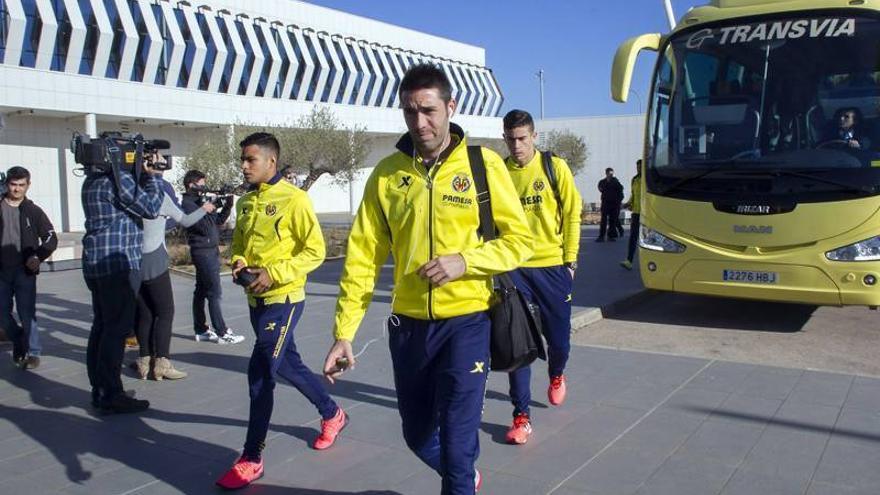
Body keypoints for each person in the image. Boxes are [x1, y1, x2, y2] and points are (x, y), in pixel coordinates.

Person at [322, 64, 533, 494]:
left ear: (450, 107)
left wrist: (466, 261)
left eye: (429, 111)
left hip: (467, 323)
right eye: (410, 112)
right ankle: (462, 479)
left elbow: (520, 242)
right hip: (409, 328)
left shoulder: (483, 165)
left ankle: (459, 480)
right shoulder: (386, 175)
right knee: (417, 437)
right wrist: (344, 332)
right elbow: (363, 256)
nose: (420, 123)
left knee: (457, 445)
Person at [216, 132, 345, 490]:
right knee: (287, 363)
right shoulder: (245, 202)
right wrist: (240, 263)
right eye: (242, 160)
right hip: (255, 302)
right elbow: (239, 243)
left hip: (284, 301)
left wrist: (275, 273)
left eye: (250, 160)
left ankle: (251, 458)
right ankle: (332, 413)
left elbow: (315, 251)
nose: (243, 166)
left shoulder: (295, 200)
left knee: (260, 373)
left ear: (271, 162)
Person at [500, 110, 582, 445]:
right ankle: (521, 416)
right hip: (514, 269)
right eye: (510, 138)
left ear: (534, 136)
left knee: (558, 341)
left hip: (552, 268)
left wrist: (570, 262)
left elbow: (573, 213)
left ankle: (557, 373)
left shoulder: (554, 167)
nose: (516, 145)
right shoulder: (500, 172)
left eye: (522, 138)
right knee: (518, 343)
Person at [82, 147, 162, 414]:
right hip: (117, 264)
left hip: (95, 262)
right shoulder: (117, 181)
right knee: (116, 330)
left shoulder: (91, 180)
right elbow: (150, 208)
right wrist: (153, 177)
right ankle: (112, 393)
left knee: (102, 327)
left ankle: (100, 388)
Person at [132, 162, 215, 380]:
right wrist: (204, 209)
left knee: (145, 313)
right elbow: (185, 220)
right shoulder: (159, 197)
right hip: (155, 259)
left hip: (133, 261)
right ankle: (162, 363)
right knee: (165, 312)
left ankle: (144, 361)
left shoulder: (128, 196)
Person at [0, 166, 57, 369]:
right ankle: (18, 339)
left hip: (24, 271)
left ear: (28, 185)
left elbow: (51, 238)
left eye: (21, 185)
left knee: (26, 313)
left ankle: (33, 352)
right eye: (13, 184)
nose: (16, 189)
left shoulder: (33, 211)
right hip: (2, 272)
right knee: (2, 315)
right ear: (7, 183)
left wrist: (38, 257)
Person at [181, 171, 244, 345]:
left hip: (210, 250)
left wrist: (227, 204)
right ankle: (221, 332)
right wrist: (207, 207)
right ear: (191, 184)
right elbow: (202, 226)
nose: (204, 188)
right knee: (214, 292)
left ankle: (201, 330)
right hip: (203, 252)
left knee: (201, 291)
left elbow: (218, 221)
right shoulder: (187, 204)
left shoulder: (200, 203)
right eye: (201, 184)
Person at [621, 160, 643, 270]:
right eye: (637, 167)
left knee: (648, 240)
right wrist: (629, 203)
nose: (638, 169)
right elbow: (633, 194)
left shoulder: (649, 179)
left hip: (647, 214)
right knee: (633, 238)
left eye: (640, 167)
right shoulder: (635, 179)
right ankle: (629, 261)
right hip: (636, 213)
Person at [596, 167, 624, 242]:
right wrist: (607, 183)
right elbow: (600, 188)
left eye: (611, 174)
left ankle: (611, 236)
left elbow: (621, 190)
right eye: (609, 173)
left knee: (612, 221)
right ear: (606, 173)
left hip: (614, 204)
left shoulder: (616, 182)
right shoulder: (602, 182)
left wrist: (619, 202)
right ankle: (601, 236)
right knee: (603, 220)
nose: (610, 175)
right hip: (605, 204)